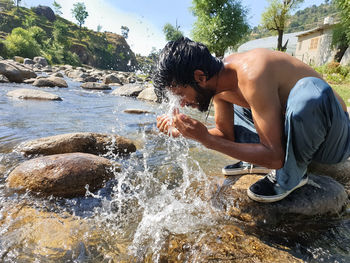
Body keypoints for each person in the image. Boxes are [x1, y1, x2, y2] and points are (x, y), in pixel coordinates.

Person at [154, 37, 350, 203]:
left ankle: (292, 174)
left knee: (308, 92)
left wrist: (207, 140)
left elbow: (275, 157)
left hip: (333, 138)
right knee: (242, 109)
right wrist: (187, 133)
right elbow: (225, 135)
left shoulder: (253, 73)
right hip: (295, 131)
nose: (182, 104)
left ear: (200, 77)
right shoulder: (220, 85)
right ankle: (262, 158)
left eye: (180, 95)